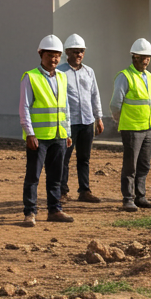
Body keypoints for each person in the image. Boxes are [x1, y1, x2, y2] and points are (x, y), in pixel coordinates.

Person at [20, 34, 74, 226]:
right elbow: (24, 107)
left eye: (57, 55)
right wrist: (30, 133)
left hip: (58, 135)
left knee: (55, 176)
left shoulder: (62, 77)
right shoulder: (30, 77)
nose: (54, 59)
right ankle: (30, 212)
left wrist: (67, 132)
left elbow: (65, 106)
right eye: (50, 55)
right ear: (41, 54)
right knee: (33, 176)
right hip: (39, 137)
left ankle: (55, 210)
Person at [111, 38, 151, 211]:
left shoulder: (149, 77)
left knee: (144, 164)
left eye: (148, 57)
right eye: (142, 57)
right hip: (131, 128)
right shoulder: (125, 76)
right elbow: (115, 104)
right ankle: (128, 199)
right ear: (134, 57)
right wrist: (120, 120)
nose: (146, 60)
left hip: (148, 127)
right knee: (130, 165)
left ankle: (141, 196)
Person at [60, 34, 104, 203]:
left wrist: (98, 117)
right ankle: (62, 192)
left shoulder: (89, 72)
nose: (79, 54)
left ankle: (84, 190)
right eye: (76, 51)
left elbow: (95, 95)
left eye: (82, 51)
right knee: (64, 158)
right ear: (67, 52)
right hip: (69, 123)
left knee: (84, 158)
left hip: (87, 121)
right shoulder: (60, 72)